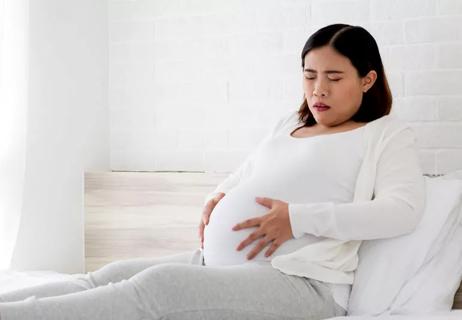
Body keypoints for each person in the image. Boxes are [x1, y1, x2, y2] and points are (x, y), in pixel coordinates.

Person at [0, 23, 425, 320]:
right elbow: (245, 174)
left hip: (301, 284)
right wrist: (216, 199)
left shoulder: (385, 135)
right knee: (108, 275)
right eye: (309, 75)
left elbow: (401, 210)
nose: (318, 89)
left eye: (334, 77)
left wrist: (296, 218)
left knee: (158, 288)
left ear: (368, 80)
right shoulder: (289, 125)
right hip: (218, 264)